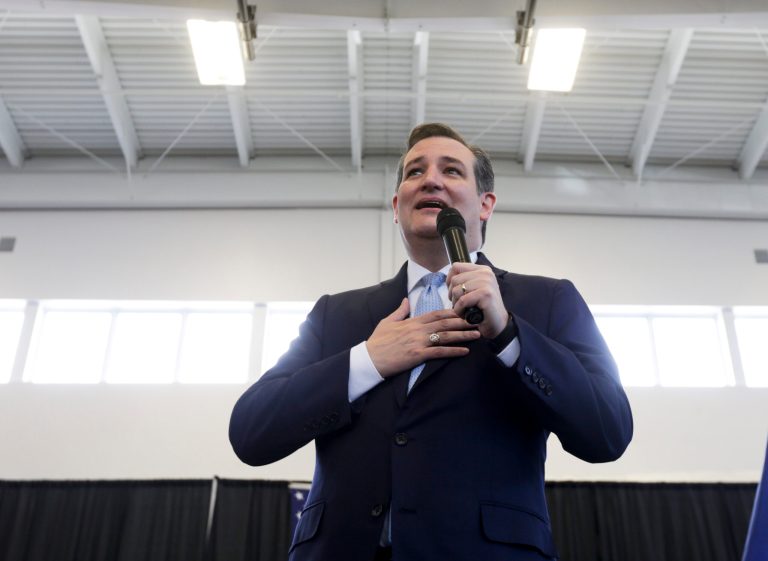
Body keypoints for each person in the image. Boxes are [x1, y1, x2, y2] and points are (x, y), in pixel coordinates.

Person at [229, 123, 633, 561]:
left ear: (485, 204)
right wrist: (367, 361)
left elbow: (608, 430)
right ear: (396, 205)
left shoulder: (547, 300)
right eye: (415, 171)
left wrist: (509, 335)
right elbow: (251, 432)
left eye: (452, 170)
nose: (431, 180)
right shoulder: (336, 314)